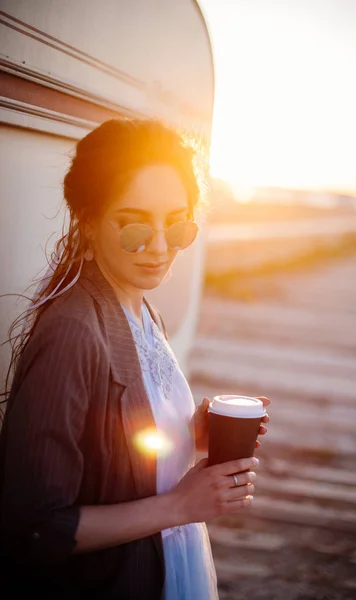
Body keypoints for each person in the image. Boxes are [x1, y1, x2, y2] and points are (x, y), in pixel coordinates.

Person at [0, 119, 270, 599]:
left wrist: (190, 436)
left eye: (179, 224)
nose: (161, 247)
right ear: (88, 219)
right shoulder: (73, 331)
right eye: (134, 227)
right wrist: (179, 507)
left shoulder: (142, 308)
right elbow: (33, 529)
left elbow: (113, 449)